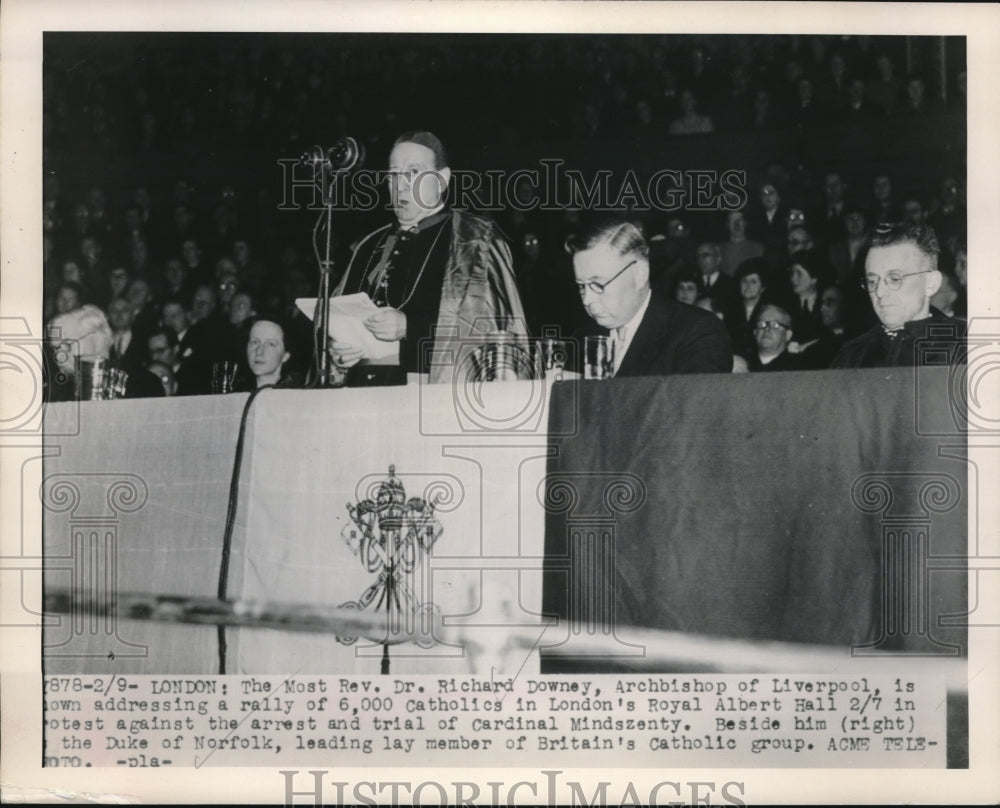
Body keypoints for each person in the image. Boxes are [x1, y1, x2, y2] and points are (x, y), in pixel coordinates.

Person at [331, 131, 527, 383]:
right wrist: (338, 350)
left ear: (442, 180)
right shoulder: (369, 245)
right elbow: (340, 317)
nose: (400, 184)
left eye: (413, 172)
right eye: (394, 174)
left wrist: (411, 328)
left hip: (430, 390)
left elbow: (495, 332)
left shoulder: (475, 240)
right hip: (361, 391)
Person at [568, 217, 732, 377]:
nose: (587, 300)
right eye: (582, 286)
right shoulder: (582, 337)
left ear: (639, 274)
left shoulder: (698, 331)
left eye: (598, 285)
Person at [832, 222, 966, 368]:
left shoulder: (966, 343)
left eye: (895, 279)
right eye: (872, 281)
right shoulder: (853, 354)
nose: (880, 292)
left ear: (931, 283)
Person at [748, 303, 801, 372]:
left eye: (775, 325)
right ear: (755, 332)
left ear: (788, 335)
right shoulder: (742, 364)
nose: (766, 329)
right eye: (761, 324)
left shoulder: (799, 367)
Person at [246, 317, 295, 389]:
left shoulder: (293, 396)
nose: (259, 351)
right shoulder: (236, 396)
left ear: (285, 356)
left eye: (270, 344)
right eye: (254, 342)